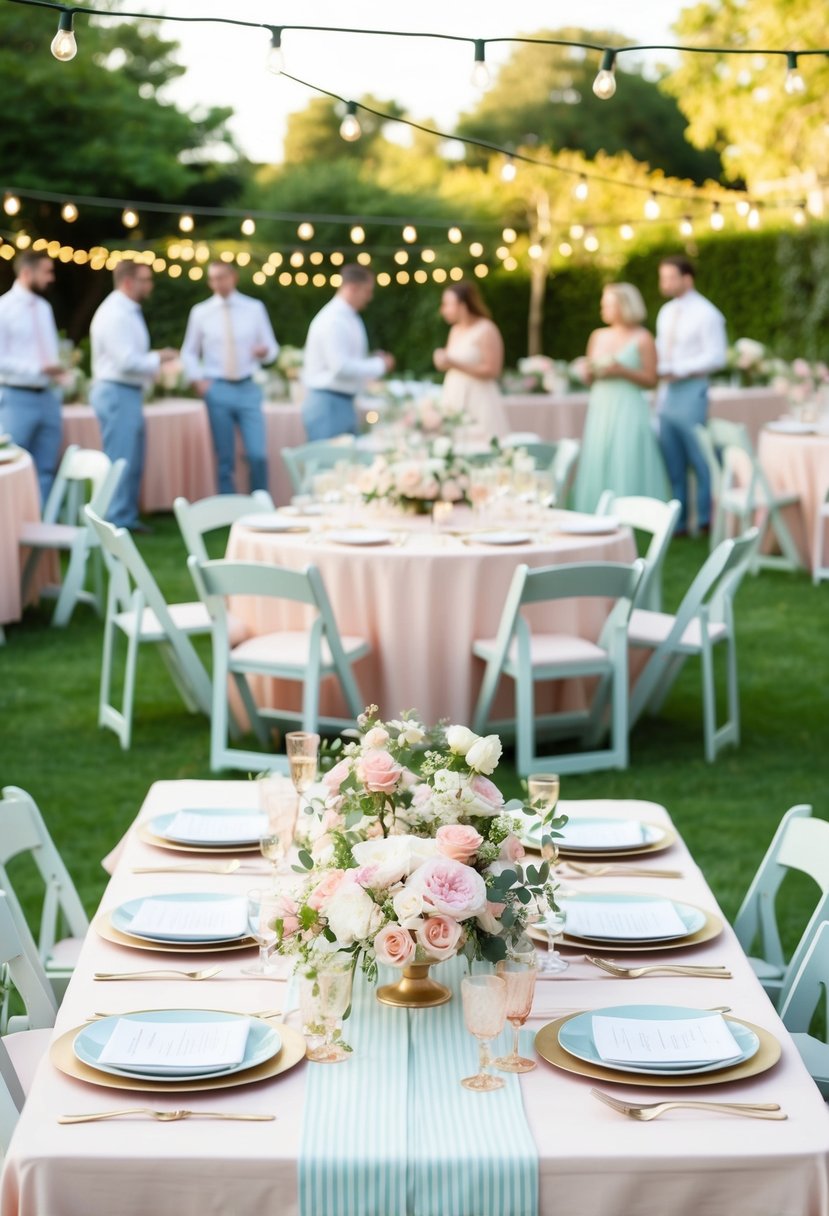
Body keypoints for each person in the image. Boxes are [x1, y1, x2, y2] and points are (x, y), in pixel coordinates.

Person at [89, 261, 177, 533]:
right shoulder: (115, 313)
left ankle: (125, 517)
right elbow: (126, 361)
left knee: (131, 459)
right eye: (146, 280)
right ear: (129, 282)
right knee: (121, 460)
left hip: (126, 391)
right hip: (116, 391)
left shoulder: (127, 311)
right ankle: (116, 521)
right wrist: (159, 357)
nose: (150, 285)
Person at [181, 262, 279, 495]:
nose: (218, 283)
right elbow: (189, 352)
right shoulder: (200, 312)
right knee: (224, 456)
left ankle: (260, 503)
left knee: (257, 454)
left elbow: (272, 348)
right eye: (213, 279)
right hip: (218, 387)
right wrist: (198, 381)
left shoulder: (254, 308)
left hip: (247, 386)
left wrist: (265, 352)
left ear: (233, 277)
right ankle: (228, 508)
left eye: (222, 277)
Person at [572, 282, 668, 513]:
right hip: (601, 405)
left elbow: (652, 380)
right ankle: (597, 509)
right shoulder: (597, 336)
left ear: (624, 306)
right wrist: (586, 373)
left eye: (608, 305)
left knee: (627, 455)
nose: (602, 309)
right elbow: (591, 375)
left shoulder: (643, 338)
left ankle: (635, 512)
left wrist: (622, 371)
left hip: (628, 405)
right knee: (599, 453)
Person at [656, 255, 727, 535]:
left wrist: (679, 369)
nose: (666, 283)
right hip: (667, 391)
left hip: (692, 389)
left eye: (671, 277)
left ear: (688, 278)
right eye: (663, 278)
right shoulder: (665, 313)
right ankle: (679, 521)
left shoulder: (707, 314)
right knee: (672, 457)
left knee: (699, 457)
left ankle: (707, 519)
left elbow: (717, 356)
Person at [301, 264, 394, 441]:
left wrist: (372, 360)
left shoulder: (348, 316)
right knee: (328, 465)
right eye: (367, 291)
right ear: (352, 288)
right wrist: (379, 365)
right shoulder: (333, 319)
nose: (370, 297)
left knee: (346, 465)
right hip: (327, 404)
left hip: (341, 402)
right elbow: (340, 366)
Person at [0, 251, 64, 504]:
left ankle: (41, 531)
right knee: (12, 467)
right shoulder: (3, 307)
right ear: (28, 272)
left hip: (48, 397)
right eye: (47, 271)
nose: (51, 277)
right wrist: (38, 370)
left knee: (46, 468)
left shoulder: (44, 308)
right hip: (17, 397)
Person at [433, 282, 509, 439]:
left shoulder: (487, 329)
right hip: (454, 395)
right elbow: (450, 362)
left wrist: (454, 363)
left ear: (463, 305)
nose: (443, 309)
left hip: (479, 399)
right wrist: (442, 360)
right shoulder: (455, 330)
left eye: (447, 304)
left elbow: (493, 370)